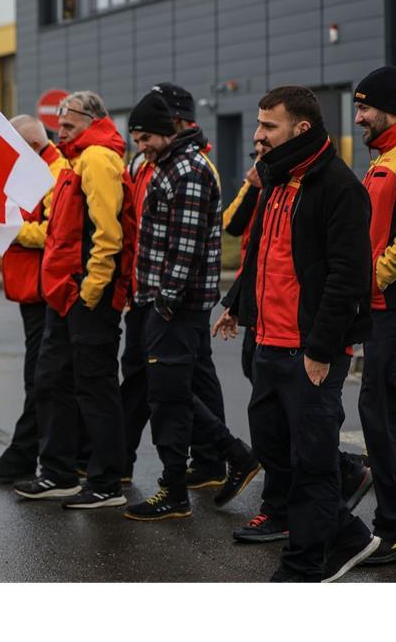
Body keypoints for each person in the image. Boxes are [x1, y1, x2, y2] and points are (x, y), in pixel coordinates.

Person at [214, 86, 378, 582]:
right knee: (275, 450)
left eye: (269, 126)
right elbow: (263, 254)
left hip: (309, 351)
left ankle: (304, 566)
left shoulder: (338, 186)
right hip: (267, 340)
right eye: (260, 125)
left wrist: (323, 348)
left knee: (312, 465)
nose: (258, 135)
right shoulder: (276, 179)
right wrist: (237, 306)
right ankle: (349, 534)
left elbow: (348, 277)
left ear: (301, 129)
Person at [120, 92, 260, 521]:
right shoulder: (167, 164)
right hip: (162, 303)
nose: (140, 145)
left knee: (168, 396)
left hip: (175, 307)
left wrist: (163, 302)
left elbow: (185, 246)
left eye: (144, 137)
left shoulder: (189, 170)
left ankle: (180, 489)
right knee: (171, 393)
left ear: (165, 131)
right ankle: (229, 458)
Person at [14, 91, 133, 508]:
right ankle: (59, 473)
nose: (58, 131)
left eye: (67, 125)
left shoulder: (98, 159)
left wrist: (91, 289)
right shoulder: (76, 159)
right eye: (59, 124)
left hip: (84, 295)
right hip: (65, 295)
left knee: (94, 388)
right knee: (53, 381)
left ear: (90, 121)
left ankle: (105, 483)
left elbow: (108, 232)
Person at [0, 115, 67, 483]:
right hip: (33, 288)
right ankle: (40, 454)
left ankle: (29, 456)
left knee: (42, 377)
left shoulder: (53, 173)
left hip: (46, 289)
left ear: (30, 146)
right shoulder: (38, 170)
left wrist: (10, 229)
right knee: (43, 377)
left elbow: (56, 233)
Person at [354, 65, 396, 566]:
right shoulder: (387, 156)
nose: (357, 117)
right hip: (382, 309)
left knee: (388, 418)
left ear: (389, 107)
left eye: (364, 107)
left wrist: (378, 274)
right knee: (384, 417)